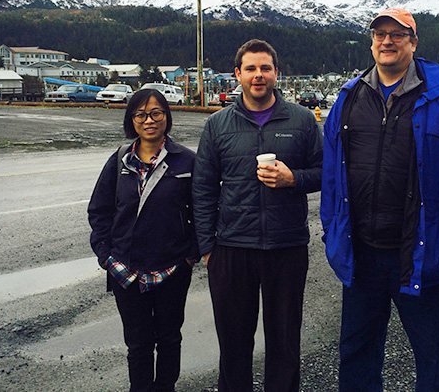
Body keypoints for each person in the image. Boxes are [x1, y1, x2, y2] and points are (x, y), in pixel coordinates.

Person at [321, 8, 439, 392]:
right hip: (361, 254)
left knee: (430, 358)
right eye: (380, 34)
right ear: (372, 42)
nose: (387, 41)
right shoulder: (349, 97)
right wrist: (332, 231)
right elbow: (331, 175)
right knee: (356, 355)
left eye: (397, 34)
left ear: (413, 42)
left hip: (418, 254)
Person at [192, 39, 323, 392]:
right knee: (234, 346)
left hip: (286, 247)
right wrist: (208, 249)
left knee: (285, 343)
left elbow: (327, 172)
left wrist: (294, 178)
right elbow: (202, 188)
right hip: (233, 248)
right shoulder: (218, 125)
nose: (258, 75)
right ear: (238, 74)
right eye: (250, 69)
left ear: (276, 73)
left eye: (265, 68)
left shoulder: (302, 120)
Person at [88, 88, 198, 392]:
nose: (149, 120)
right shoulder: (120, 160)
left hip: (172, 268)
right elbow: (99, 210)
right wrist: (105, 255)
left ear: (166, 116)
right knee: (137, 344)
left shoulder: (186, 161)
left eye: (156, 113)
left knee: (169, 339)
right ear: (132, 120)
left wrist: (190, 256)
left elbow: (203, 211)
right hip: (126, 269)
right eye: (141, 114)